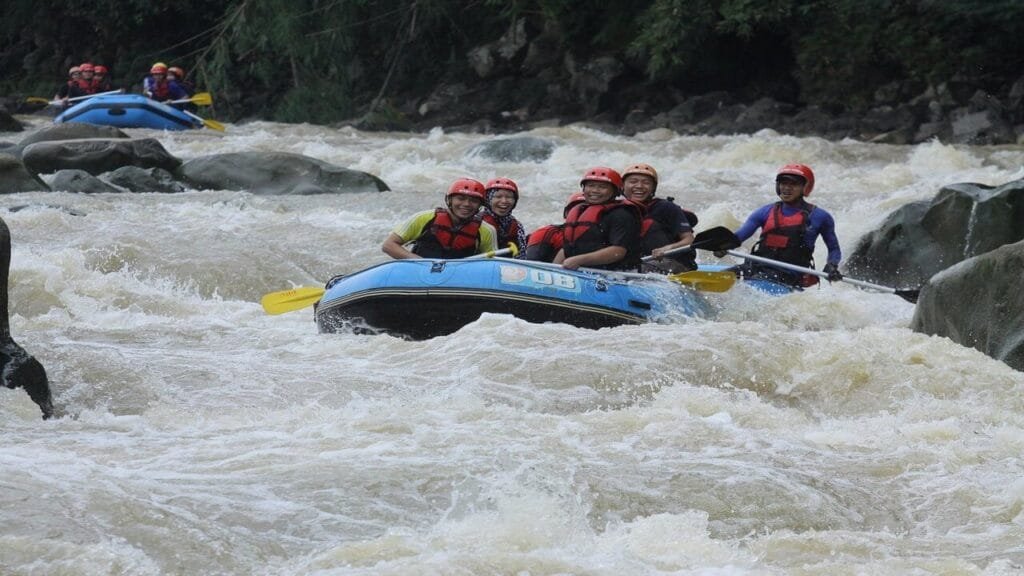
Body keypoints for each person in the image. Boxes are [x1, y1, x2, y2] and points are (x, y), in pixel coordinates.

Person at [723, 163, 842, 287]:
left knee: (760, 279)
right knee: (727, 274)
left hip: (790, 275)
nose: (787, 188)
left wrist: (831, 265)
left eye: (793, 184)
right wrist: (723, 246)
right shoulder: (764, 212)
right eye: (783, 183)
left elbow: (833, 249)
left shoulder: (820, 217)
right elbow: (737, 238)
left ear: (805, 187)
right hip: (757, 267)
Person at [382, 178, 498, 259]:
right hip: (420, 271)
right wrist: (419, 261)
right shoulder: (424, 218)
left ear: (479, 206)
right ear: (450, 200)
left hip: (460, 277)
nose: (467, 204)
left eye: (474, 201)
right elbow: (389, 245)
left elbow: (492, 263)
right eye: (460, 198)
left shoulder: (486, 231)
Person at [554, 166, 642, 271]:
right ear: (583, 188)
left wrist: (579, 260)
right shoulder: (579, 211)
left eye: (602, 187)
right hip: (583, 271)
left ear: (615, 191)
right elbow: (568, 248)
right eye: (591, 186)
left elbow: (618, 251)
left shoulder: (621, 215)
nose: (595, 190)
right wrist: (554, 269)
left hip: (617, 274)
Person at [621, 163, 699, 273]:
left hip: (674, 263)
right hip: (641, 263)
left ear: (653, 188)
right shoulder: (619, 210)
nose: (639, 186)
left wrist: (666, 249)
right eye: (633, 181)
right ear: (622, 186)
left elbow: (689, 240)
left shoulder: (666, 207)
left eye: (646, 182)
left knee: (636, 269)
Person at [524, 192, 585, 263]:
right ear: (565, 214)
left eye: (585, 211)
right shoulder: (547, 233)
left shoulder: (599, 240)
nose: (578, 215)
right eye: (573, 211)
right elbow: (530, 264)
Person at [480, 178, 527, 258]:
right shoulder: (477, 222)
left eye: (509, 197)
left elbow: (522, 256)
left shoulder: (517, 226)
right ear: (488, 199)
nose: (504, 201)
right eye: (498, 196)